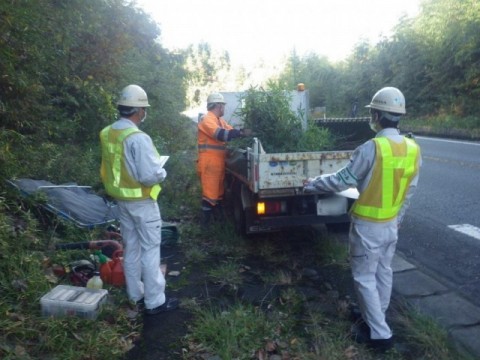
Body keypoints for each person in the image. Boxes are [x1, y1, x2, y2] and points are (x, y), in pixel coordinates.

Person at [304, 87, 421, 352]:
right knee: (383, 272)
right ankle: (374, 317)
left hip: (368, 225)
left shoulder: (372, 148)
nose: (372, 117)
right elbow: (410, 191)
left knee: (364, 277)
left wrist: (312, 184)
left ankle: (380, 335)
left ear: (378, 115)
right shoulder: (414, 149)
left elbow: (342, 180)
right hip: (390, 224)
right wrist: (398, 218)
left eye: (373, 113)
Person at [100, 84, 178, 315]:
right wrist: (161, 172)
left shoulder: (108, 133)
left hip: (121, 201)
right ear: (138, 111)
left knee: (131, 248)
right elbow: (148, 175)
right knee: (150, 250)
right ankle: (155, 302)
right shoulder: (138, 138)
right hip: (142, 203)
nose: (144, 113)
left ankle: (135, 295)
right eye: (143, 109)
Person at [197, 92, 250, 227]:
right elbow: (221, 135)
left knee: (217, 194)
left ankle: (216, 222)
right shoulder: (207, 119)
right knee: (209, 195)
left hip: (216, 163)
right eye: (223, 106)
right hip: (209, 163)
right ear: (219, 106)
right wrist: (241, 133)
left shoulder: (219, 121)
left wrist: (242, 134)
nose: (224, 108)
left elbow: (231, 131)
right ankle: (205, 226)